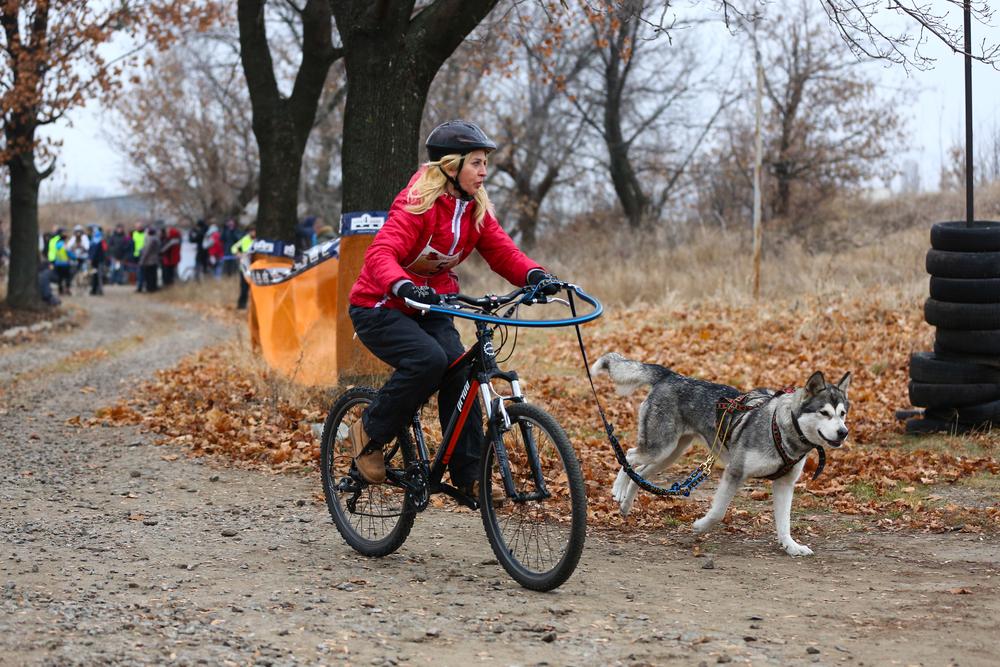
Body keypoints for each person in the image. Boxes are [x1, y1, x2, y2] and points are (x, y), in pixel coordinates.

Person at [346, 120, 558, 491]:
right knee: (428, 360)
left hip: (433, 306)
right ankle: (369, 431)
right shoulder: (417, 203)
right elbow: (381, 252)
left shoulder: (474, 209)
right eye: (476, 162)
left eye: (484, 163)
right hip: (380, 307)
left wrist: (535, 275)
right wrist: (403, 284)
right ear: (451, 166)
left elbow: (502, 252)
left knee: (460, 372)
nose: (484, 171)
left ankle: (468, 475)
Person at [231, 225, 256, 310]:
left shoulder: (259, 241)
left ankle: (254, 308)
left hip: (255, 267)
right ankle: (241, 306)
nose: (253, 233)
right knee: (244, 288)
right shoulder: (245, 239)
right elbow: (234, 248)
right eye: (252, 231)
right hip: (245, 268)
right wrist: (238, 253)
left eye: (254, 231)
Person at [138, 226, 161, 293]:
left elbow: (146, 251)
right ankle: (153, 288)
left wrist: (142, 260)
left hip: (149, 261)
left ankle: (150, 288)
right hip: (154, 260)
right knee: (153, 275)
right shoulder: (157, 239)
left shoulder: (150, 239)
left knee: (149, 276)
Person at [160, 221, 182, 287]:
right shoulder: (178, 240)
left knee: (168, 275)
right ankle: (173, 285)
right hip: (174, 260)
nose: (167, 234)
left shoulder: (171, 241)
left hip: (169, 260)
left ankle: (168, 286)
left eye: (168, 233)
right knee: (173, 274)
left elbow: (163, 250)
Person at [87, 226, 107, 296]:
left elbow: (95, 252)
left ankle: (99, 290)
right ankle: (94, 289)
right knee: (94, 276)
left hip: (99, 261)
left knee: (99, 276)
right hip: (94, 261)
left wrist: (91, 259)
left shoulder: (100, 241)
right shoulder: (93, 240)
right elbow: (90, 251)